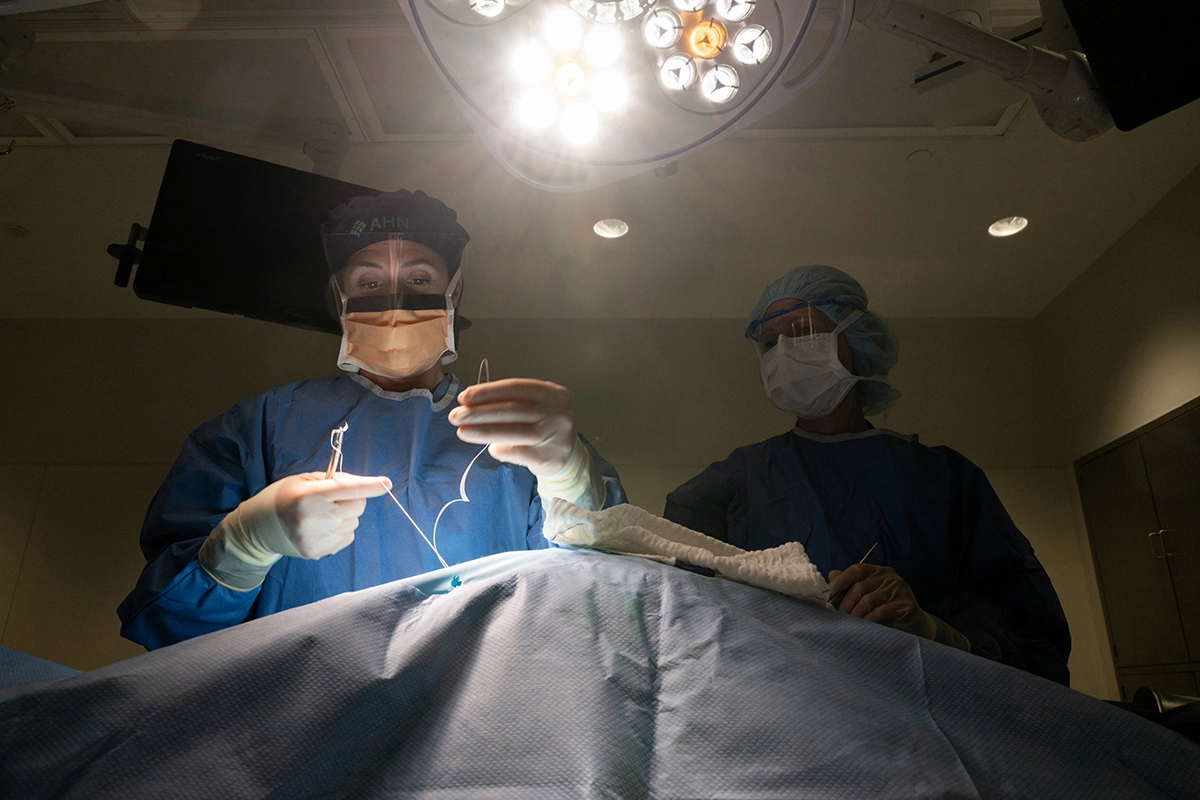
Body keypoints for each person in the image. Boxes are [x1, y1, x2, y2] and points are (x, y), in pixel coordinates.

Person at [118, 190, 624, 649]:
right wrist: (245, 546)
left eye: (420, 278)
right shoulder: (262, 429)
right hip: (300, 724)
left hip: (482, 719)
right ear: (341, 299)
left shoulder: (522, 437)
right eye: (370, 280)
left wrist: (570, 476)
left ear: (455, 291)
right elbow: (170, 627)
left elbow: (602, 600)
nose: (395, 297)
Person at [664, 265, 1071, 685]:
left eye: (802, 331)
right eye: (771, 342)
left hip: (932, 714)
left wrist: (928, 629)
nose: (784, 352)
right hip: (787, 713)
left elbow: (1034, 640)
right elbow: (672, 591)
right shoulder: (737, 481)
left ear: (857, 340)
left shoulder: (943, 479)